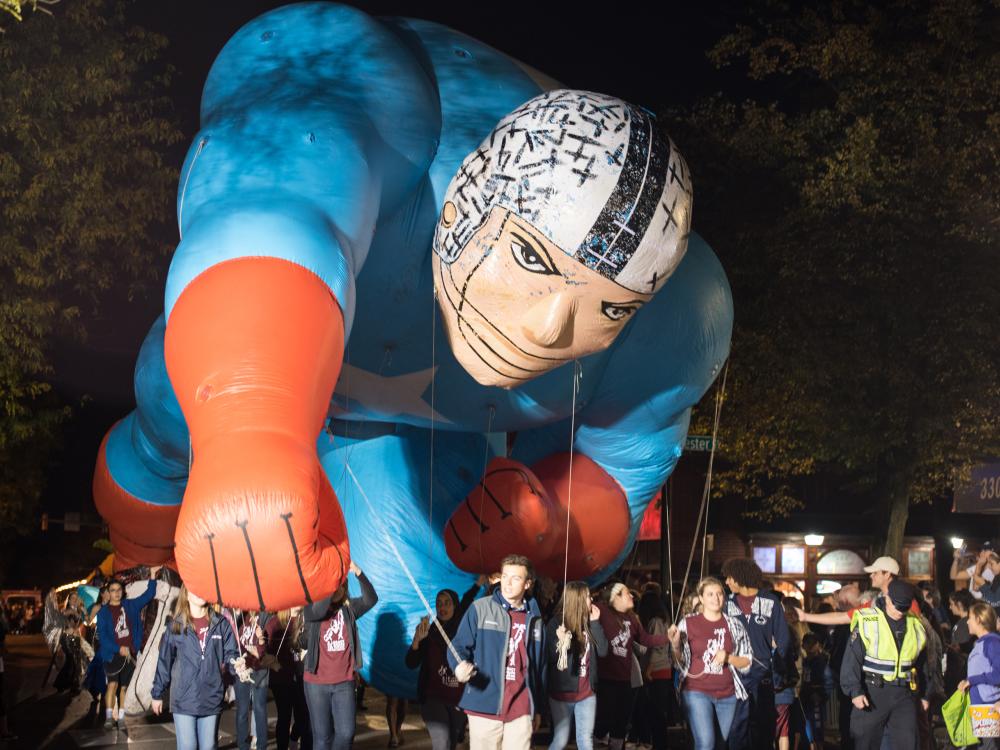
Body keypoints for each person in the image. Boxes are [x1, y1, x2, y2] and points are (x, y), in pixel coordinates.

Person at [449, 554, 546, 750]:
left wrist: (539, 708)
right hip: (484, 702)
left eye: (516, 578)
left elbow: (540, 667)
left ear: (528, 584)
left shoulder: (535, 620)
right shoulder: (480, 608)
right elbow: (457, 645)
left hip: (522, 705)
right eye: (505, 576)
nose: (507, 583)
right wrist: (458, 665)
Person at [839, 579, 931, 750]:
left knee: (908, 743)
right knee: (866, 743)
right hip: (873, 692)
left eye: (904, 607)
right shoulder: (868, 621)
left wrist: (925, 694)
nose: (900, 612)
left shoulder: (916, 624)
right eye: (897, 606)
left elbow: (922, 663)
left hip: (904, 693)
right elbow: (852, 659)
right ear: (887, 599)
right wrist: (854, 691)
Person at [668, 577, 753, 750]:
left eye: (720, 594)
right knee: (706, 743)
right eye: (710, 594)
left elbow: (747, 661)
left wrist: (728, 657)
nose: (716, 598)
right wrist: (675, 645)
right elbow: (678, 662)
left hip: (728, 694)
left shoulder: (734, 624)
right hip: (696, 691)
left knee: (721, 745)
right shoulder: (688, 623)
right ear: (701, 598)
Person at [151, 585, 240, 749]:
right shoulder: (176, 626)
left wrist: (237, 665)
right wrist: (157, 693)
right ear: (186, 594)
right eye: (194, 588)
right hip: (184, 698)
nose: (200, 592)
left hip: (212, 696)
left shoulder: (221, 623)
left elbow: (231, 654)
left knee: (209, 747)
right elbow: (164, 662)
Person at [302, 560, 377, 750]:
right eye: (335, 587)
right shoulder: (312, 608)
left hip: (344, 682)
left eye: (341, 586)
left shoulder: (349, 610)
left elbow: (371, 599)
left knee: (346, 734)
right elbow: (318, 612)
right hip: (316, 683)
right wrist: (330, 588)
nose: (338, 590)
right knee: (322, 737)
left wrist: (358, 572)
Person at [721, 557, 791, 750]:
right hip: (734, 675)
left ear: (739, 576)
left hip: (762, 675)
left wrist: (779, 672)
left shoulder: (770, 601)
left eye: (729, 578)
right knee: (736, 728)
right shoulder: (726, 603)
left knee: (764, 727)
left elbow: (784, 641)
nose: (726, 582)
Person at [406, 581, 483, 750]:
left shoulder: (465, 632)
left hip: (459, 699)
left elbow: (466, 602)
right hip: (433, 697)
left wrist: (478, 585)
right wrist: (417, 641)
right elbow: (411, 663)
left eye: (447, 603)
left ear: (455, 606)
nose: (442, 607)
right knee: (442, 743)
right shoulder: (429, 631)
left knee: (452, 743)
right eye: (439, 604)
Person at [593, 582, 670, 750]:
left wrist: (668, 638)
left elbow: (645, 640)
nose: (632, 596)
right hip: (606, 679)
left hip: (626, 679)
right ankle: (596, 738)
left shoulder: (632, 618)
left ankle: (616, 746)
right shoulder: (601, 611)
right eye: (627, 593)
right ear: (616, 597)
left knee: (621, 722)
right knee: (605, 720)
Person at [96, 567, 160, 731]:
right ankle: (109, 718)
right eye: (113, 590)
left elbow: (148, 595)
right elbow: (103, 638)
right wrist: (119, 648)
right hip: (111, 654)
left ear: (122, 592)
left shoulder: (130, 605)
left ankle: (122, 718)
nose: (116, 593)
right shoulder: (103, 613)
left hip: (130, 653)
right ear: (108, 593)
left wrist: (152, 575)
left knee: (124, 687)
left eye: (118, 590)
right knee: (112, 685)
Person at [545, 582, 607, 750]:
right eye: (588, 596)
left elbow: (603, 651)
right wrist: (562, 641)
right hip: (562, 693)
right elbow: (551, 658)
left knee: (585, 739)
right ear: (577, 599)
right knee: (561, 739)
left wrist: (596, 623)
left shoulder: (590, 622)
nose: (591, 599)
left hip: (587, 692)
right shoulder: (556, 623)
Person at [266, 607, 312, 750]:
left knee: (303, 717)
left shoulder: (306, 620)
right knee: (284, 717)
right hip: (281, 678)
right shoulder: (275, 623)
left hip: (301, 676)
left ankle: (294, 737)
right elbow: (266, 651)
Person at [634, 590, 674, 749]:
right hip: (662, 669)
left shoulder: (655, 622)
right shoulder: (662, 620)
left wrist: (648, 669)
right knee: (656, 712)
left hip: (656, 670)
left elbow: (657, 647)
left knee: (655, 712)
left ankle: (659, 744)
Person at [958, 602, 1000, 750]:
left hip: (989, 709)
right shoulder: (982, 643)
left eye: (970, 618)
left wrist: (971, 680)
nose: (967, 621)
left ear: (979, 620)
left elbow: (998, 675)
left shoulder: (992, 643)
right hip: (980, 709)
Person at [231, 609, 272, 750]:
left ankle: (261, 745)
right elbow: (233, 640)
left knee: (259, 708)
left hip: (260, 670)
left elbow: (266, 648)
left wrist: (261, 639)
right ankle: (242, 744)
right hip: (242, 668)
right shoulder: (242, 616)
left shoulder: (265, 616)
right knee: (242, 710)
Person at [800, 633, 834, 750]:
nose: (808, 647)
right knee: (807, 726)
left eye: (811, 644)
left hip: (816, 700)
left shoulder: (821, 662)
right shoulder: (804, 662)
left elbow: (829, 681)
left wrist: (821, 695)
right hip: (805, 698)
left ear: (816, 645)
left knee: (817, 728)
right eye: (806, 644)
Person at [944, 589, 976, 694]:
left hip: (960, 670)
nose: (950, 607)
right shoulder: (962, 623)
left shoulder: (965, 624)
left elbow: (962, 648)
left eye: (952, 604)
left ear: (959, 604)